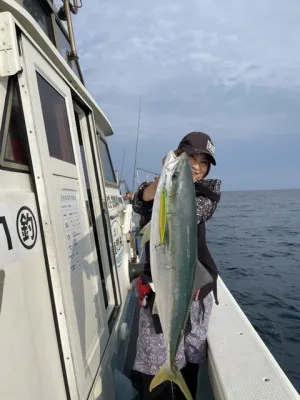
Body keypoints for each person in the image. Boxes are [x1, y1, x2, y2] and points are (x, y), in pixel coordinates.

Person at [131, 132, 222, 399]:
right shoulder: (160, 189)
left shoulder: (209, 191)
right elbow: (139, 203)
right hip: (161, 286)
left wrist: (173, 185)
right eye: (192, 157)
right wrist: (160, 185)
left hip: (196, 290)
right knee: (155, 362)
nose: (197, 165)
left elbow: (191, 212)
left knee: (191, 360)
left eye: (204, 162)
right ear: (179, 154)